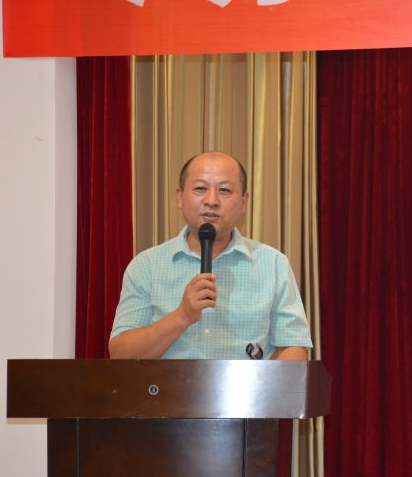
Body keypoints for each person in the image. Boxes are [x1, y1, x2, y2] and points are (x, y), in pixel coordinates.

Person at [109, 151, 312, 361]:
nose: (212, 200)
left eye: (224, 190)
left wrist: (267, 383)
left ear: (244, 201)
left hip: (248, 383)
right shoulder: (146, 266)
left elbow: (293, 347)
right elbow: (121, 354)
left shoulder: (272, 264)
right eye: (200, 188)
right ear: (180, 197)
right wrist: (182, 316)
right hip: (167, 383)